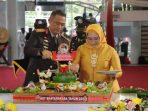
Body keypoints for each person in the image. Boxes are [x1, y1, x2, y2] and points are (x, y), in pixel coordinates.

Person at [70, 24, 122, 92]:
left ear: (101, 36)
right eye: (89, 38)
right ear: (86, 37)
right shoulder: (81, 49)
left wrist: (113, 75)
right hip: (86, 88)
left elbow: (119, 71)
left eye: (96, 38)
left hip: (107, 88)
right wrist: (74, 67)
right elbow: (74, 64)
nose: (92, 42)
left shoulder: (111, 51)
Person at [23, 10, 68, 86]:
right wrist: (40, 52)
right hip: (37, 76)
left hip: (55, 79)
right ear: (49, 21)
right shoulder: (38, 33)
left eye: (62, 24)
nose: (59, 27)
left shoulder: (65, 39)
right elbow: (27, 50)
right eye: (57, 23)